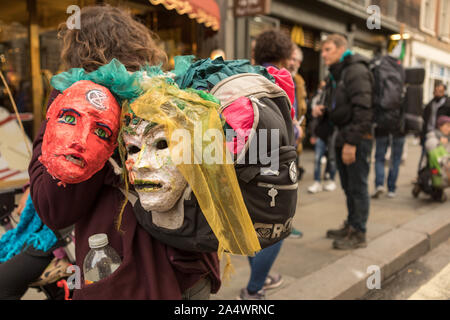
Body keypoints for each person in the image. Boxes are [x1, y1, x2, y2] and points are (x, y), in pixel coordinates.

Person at [28, 5, 220, 300]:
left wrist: (58, 111)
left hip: (129, 276)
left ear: (77, 52)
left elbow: (54, 207)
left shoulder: (80, 103)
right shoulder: (165, 89)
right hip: (191, 264)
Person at [238, 29, 296, 300]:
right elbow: (288, 124)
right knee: (276, 227)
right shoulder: (282, 78)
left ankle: (259, 279)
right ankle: (254, 288)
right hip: (274, 158)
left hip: (243, 157)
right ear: (285, 53)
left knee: (251, 221)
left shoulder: (242, 75)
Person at [312, 34, 373, 250]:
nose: (324, 54)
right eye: (323, 50)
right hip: (342, 135)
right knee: (348, 186)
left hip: (355, 139)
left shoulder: (356, 71)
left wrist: (351, 143)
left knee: (357, 186)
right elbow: (344, 106)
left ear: (340, 49)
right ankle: (351, 224)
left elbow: (363, 109)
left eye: (327, 49)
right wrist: (326, 111)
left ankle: (359, 232)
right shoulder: (338, 73)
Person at [308, 80, 337, 193]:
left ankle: (331, 180)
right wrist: (313, 134)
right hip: (321, 131)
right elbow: (315, 116)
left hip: (332, 131)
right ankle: (317, 181)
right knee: (317, 159)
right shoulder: (322, 95)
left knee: (332, 158)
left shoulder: (336, 94)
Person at [287, 44, 307, 182]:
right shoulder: (277, 76)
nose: (292, 63)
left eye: (295, 60)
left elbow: (302, 108)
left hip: (296, 135)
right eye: (290, 59)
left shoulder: (299, 81)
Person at [419, 84, 450, 169]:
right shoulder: (430, 104)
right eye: (436, 91)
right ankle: (422, 174)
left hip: (441, 134)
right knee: (424, 155)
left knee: (440, 155)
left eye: (440, 91)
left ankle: (439, 175)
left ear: (444, 92)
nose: (437, 93)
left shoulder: (448, 104)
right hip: (429, 132)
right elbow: (424, 120)